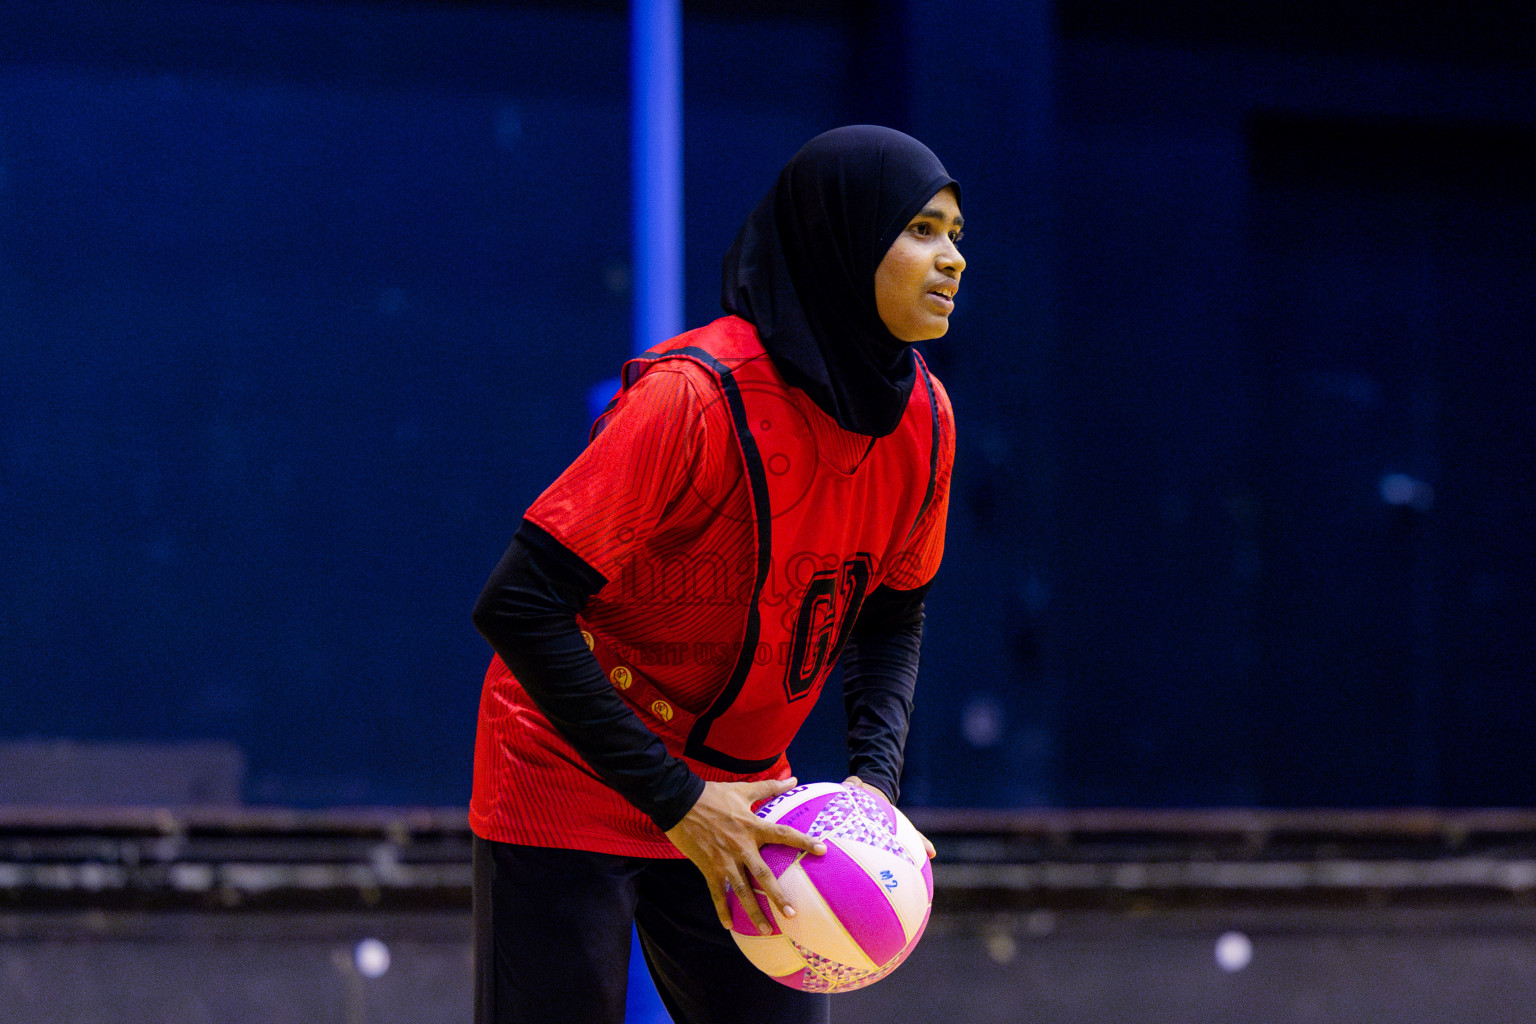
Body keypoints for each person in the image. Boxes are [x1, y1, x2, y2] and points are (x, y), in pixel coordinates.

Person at [470, 124, 963, 1024]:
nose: (951, 259)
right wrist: (679, 804)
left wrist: (873, 790)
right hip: (573, 770)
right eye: (922, 230)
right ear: (842, 240)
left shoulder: (926, 420)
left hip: (751, 794)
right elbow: (518, 602)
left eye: (956, 235)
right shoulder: (690, 398)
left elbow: (895, 610)